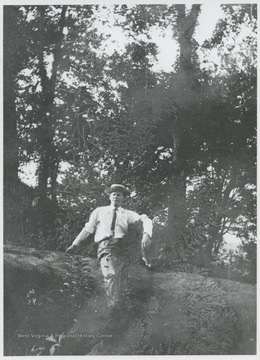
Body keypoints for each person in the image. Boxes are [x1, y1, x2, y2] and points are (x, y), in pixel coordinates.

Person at [65, 184, 153, 308]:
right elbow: (88, 228)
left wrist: (146, 234)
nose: (116, 197)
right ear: (109, 197)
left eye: (119, 195)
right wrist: (75, 244)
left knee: (141, 225)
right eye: (114, 194)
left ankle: (144, 259)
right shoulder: (99, 211)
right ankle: (113, 307)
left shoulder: (127, 213)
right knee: (112, 273)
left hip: (122, 247)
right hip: (106, 246)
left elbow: (146, 219)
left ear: (123, 198)